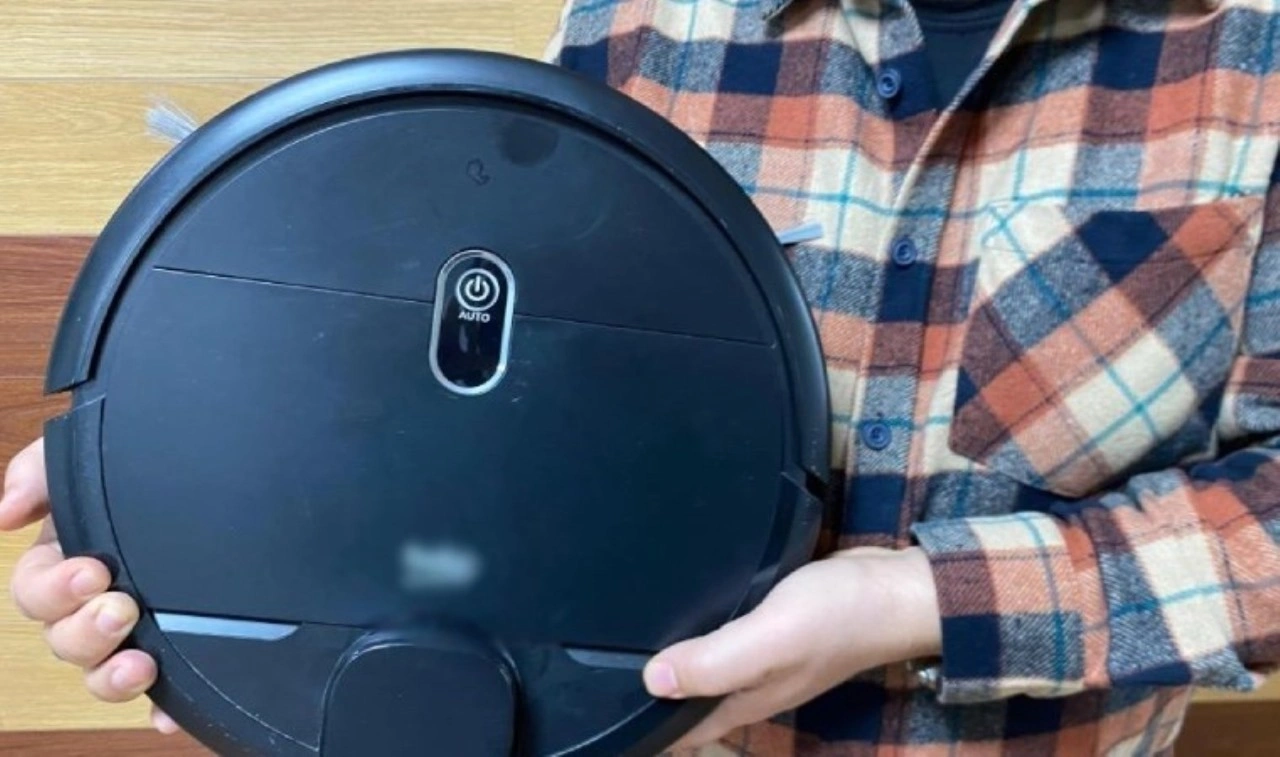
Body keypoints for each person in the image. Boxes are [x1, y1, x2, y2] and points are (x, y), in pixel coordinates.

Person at [5, 0, 1280, 753]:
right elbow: (514, 402)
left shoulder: (1250, 63)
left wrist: (917, 601)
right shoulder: (648, 22)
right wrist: (202, 510)